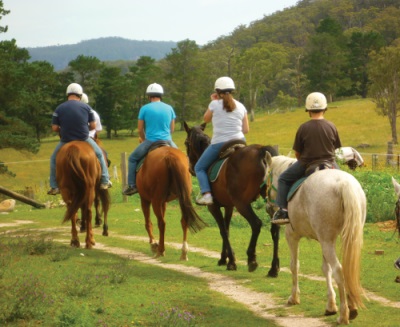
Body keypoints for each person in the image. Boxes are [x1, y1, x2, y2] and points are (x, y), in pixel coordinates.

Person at [271, 92, 342, 224]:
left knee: (283, 179)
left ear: (308, 110)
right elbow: (335, 149)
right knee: (344, 180)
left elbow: (297, 153)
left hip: (307, 163)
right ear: (325, 109)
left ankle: (283, 211)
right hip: (330, 163)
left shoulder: (303, 128)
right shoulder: (332, 126)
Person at [47, 83, 111, 195]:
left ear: (68, 94)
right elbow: (93, 126)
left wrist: (64, 129)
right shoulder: (87, 107)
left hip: (65, 140)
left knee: (53, 159)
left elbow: (55, 127)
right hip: (84, 138)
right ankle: (105, 180)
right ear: (80, 95)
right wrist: (83, 127)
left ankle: (54, 186)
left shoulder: (59, 108)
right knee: (100, 154)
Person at [195, 76, 249, 205]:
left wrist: (214, 101)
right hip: (240, 140)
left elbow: (206, 120)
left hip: (220, 143)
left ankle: (207, 194)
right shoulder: (241, 106)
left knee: (199, 167)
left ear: (217, 91)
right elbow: (246, 129)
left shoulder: (214, 104)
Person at [123, 83, 178, 196]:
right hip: (168, 140)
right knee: (183, 159)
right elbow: (172, 129)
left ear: (149, 96)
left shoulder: (144, 108)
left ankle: (132, 186)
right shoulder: (169, 108)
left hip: (151, 141)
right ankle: (187, 184)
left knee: (132, 159)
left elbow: (139, 129)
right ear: (161, 96)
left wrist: (144, 139)